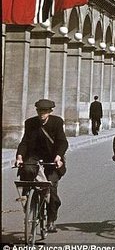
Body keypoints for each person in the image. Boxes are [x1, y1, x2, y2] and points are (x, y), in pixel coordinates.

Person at [15, 99, 69, 233]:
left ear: (50, 112)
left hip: (52, 158)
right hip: (34, 156)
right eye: (39, 111)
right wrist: (19, 157)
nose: (41, 114)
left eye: (44, 112)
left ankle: (51, 221)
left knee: (51, 189)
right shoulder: (30, 123)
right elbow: (24, 142)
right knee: (27, 168)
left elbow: (62, 142)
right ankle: (27, 194)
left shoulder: (56, 122)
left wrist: (59, 156)